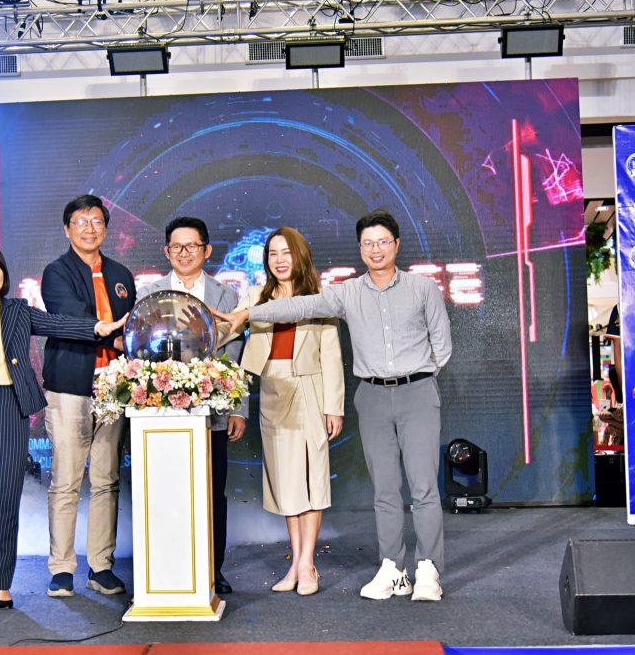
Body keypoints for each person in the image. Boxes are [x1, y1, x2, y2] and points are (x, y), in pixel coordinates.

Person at [218, 209, 452, 602]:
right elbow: (295, 308)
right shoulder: (345, 293)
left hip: (414, 392)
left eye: (383, 242)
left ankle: (427, 569)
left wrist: (418, 377)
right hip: (368, 395)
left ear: (396, 245)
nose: (375, 249)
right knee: (384, 489)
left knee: (424, 487)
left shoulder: (422, 288)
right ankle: (393, 569)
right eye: (368, 243)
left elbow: (442, 347)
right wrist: (246, 314)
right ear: (359, 248)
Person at [0, 241, 126, 612]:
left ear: (3, 273)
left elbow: (59, 324)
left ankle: (0, 584)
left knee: (6, 502)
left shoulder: (19, 311)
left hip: (11, 408)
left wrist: (100, 327)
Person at [135, 216, 246, 594]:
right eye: (177, 247)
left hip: (212, 414)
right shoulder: (149, 294)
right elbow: (138, 350)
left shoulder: (227, 297)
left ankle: (213, 569)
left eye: (192, 246)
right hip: (160, 416)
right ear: (166, 251)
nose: (184, 253)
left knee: (212, 492)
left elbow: (237, 354)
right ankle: (166, 569)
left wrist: (238, 407)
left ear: (207, 250)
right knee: (165, 492)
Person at [236, 227, 343, 596]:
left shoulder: (319, 298)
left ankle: (308, 563)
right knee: (287, 482)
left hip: (310, 389)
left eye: (286, 252)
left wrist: (333, 406)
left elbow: (332, 354)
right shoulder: (255, 297)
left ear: (300, 255)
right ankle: (296, 562)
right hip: (273, 391)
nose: (279, 260)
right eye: (272, 254)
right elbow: (228, 328)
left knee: (311, 480)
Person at [41, 194, 137, 598]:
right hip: (70, 387)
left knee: (106, 480)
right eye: (81, 222)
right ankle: (62, 567)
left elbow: (134, 325)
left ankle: (101, 566)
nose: (89, 228)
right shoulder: (56, 272)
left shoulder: (121, 273)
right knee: (66, 481)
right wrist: (111, 335)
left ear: (106, 228)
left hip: (113, 387)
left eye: (96, 221)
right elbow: (71, 316)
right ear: (67, 229)